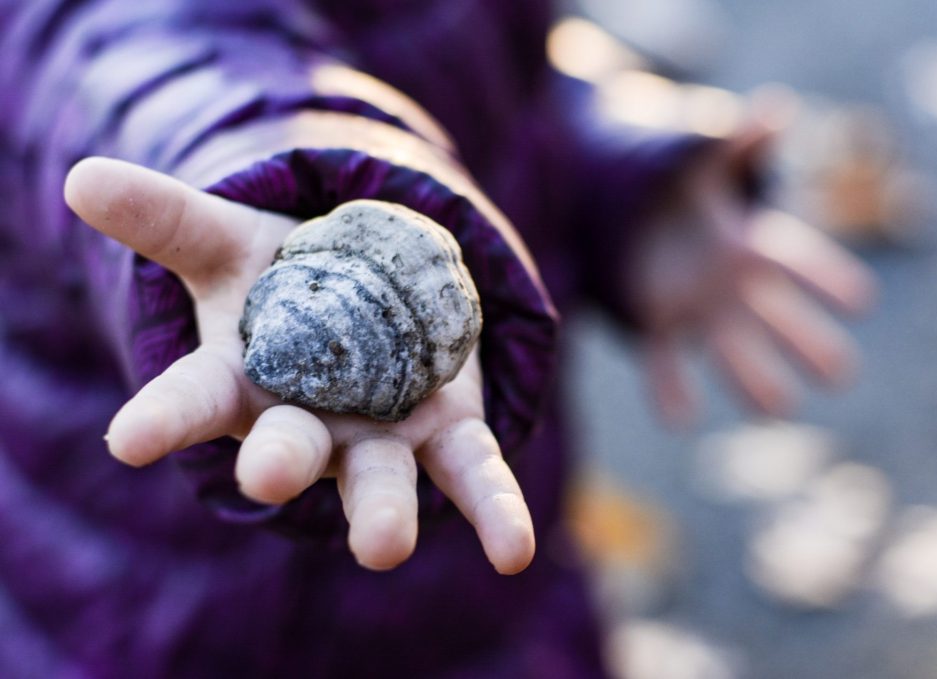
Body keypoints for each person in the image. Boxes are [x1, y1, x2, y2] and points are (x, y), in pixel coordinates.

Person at [0, 0, 874, 676]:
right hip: (145, 608)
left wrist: (617, 170)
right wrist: (266, 156)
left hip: (487, 593)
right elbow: (121, 53)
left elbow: (497, 64)